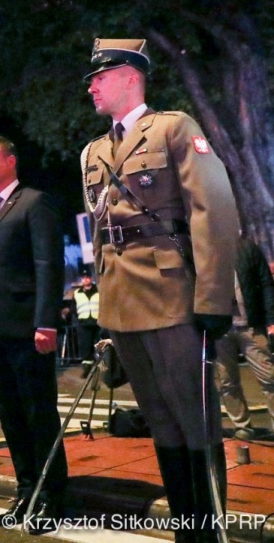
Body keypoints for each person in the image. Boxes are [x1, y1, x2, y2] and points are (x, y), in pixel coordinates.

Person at [81, 38, 237, 542]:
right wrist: (103, 304)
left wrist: (212, 300)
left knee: (195, 420)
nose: (92, 86)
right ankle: (185, 530)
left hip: (172, 296)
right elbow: (101, 234)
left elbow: (213, 213)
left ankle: (207, 531)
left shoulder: (173, 128)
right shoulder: (94, 151)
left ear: (130, 76)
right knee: (160, 424)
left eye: (100, 77)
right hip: (123, 303)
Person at [0, 135, 66, 533]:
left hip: (28, 329)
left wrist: (46, 321)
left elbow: (47, 264)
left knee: (39, 414)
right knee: (10, 417)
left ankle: (52, 497)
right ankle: (26, 492)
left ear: (11, 161)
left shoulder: (33, 202)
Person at [214, 235, 274, 441]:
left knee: (270, 376)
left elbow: (266, 283)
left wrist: (271, 320)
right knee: (226, 381)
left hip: (251, 324)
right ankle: (242, 425)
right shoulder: (203, 250)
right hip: (220, 327)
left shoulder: (247, 247)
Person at [72, 270, 101, 377]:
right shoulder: (76, 293)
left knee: (101, 346)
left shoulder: (99, 290)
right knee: (85, 347)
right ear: (81, 280)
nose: (85, 279)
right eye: (83, 277)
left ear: (91, 278)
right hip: (84, 323)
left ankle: (103, 369)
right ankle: (87, 369)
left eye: (87, 277)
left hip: (97, 323)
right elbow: (73, 307)